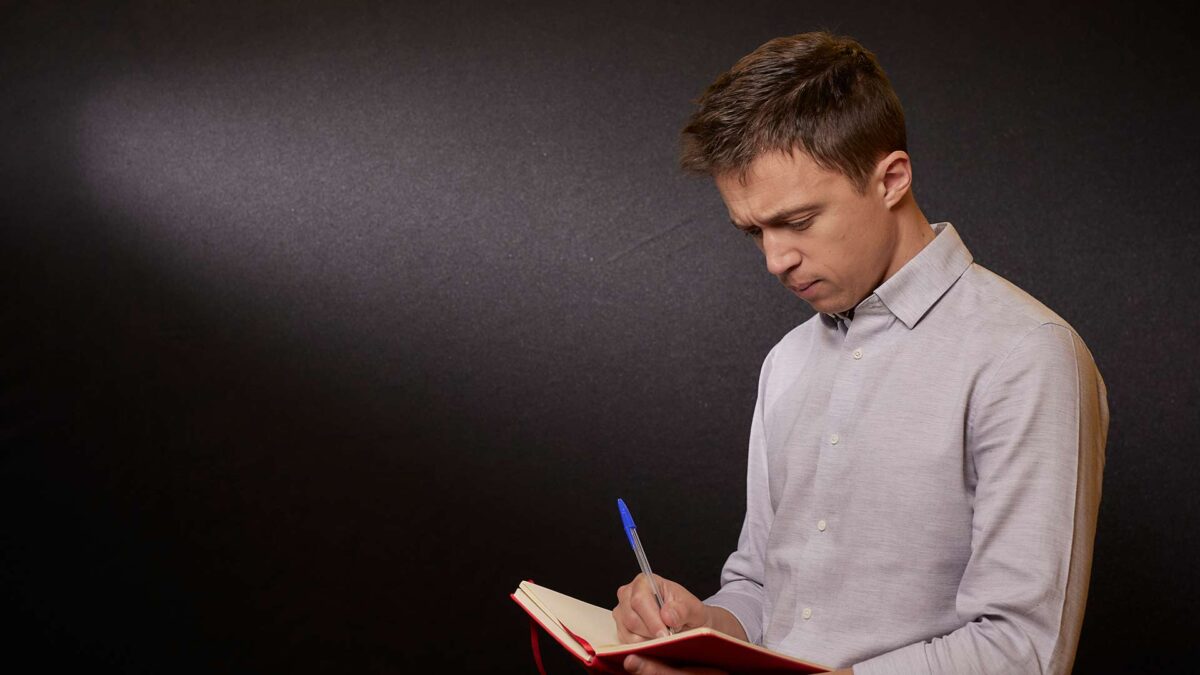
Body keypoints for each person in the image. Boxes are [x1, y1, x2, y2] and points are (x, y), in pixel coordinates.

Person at [612, 32, 1108, 675]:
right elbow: (762, 587)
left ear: (892, 179)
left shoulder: (1027, 356)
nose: (775, 260)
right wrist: (703, 626)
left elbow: (1024, 652)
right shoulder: (786, 362)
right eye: (753, 231)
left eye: (797, 221)